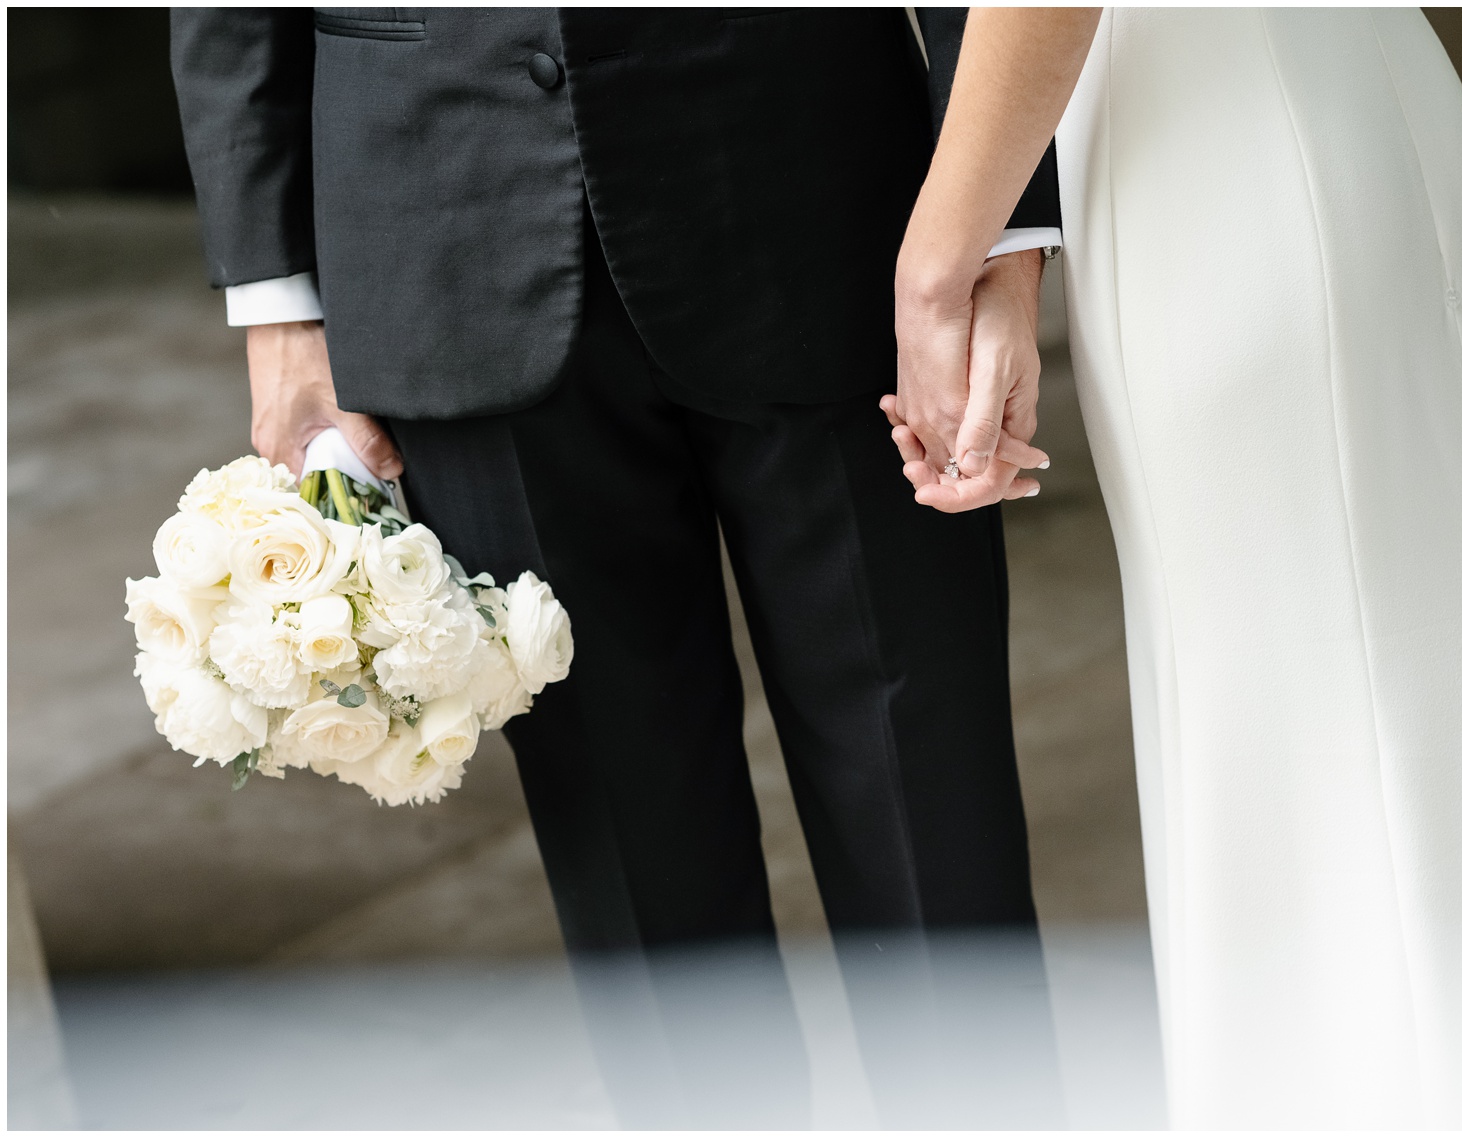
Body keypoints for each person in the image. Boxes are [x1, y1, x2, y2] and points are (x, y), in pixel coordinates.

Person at [169, 9, 1063, 1127]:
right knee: (642, 900)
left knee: (931, 811)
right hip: (444, 216)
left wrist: (1000, 236)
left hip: (821, 191)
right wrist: (278, 303)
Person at [888, 7, 1462, 1128]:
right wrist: (1008, 261)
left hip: (1217, 163)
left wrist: (934, 270)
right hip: (1332, 95)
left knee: (1298, 759)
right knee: (1417, 719)